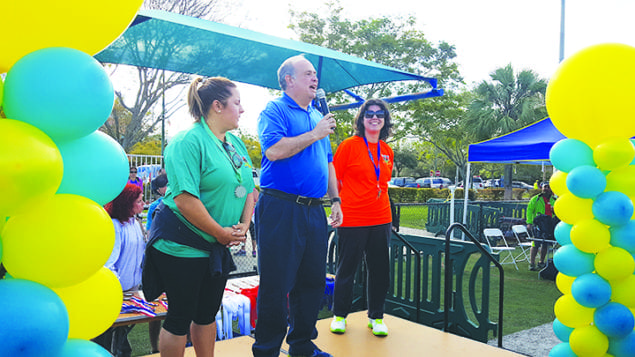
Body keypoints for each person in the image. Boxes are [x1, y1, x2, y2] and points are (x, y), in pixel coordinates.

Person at [144, 76, 255, 357]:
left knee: (207, 313)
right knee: (180, 317)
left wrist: (243, 225)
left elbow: (249, 189)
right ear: (218, 106)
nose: (242, 109)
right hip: (181, 244)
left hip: (215, 245)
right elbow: (184, 199)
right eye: (237, 103)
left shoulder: (236, 144)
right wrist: (220, 232)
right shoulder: (187, 142)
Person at [253, 54, 343, 357]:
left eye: (315, 75)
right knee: (277, 284)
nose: (315, 79)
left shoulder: (319, 117)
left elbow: (327, 163)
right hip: (281, 207)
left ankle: (302, 345)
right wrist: (315, 134)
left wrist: (336, 200)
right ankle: (266, 349)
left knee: (312, 282)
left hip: (314, 210)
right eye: (307, 74)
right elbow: (275, 150)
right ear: (288, 80)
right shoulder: (274, 109)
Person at [330, 99, 394, 337]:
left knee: (380, 269)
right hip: (353, 217)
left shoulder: (387, 150)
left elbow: (382, 183)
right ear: (361, 119)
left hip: (381, 218)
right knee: (347, 268)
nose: (374, 117)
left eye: (379, 114)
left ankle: (376, 317)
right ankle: (339, 316)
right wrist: (335, 204)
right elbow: (335, 179)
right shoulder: (349, 145)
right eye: (369, 114)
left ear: (385, 120)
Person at [95, 183, 146, 357]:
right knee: (107, 335)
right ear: (127, 203)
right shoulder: (115, 226)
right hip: (117, 291)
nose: (143, 203)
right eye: (139, 201)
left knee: (122, 334)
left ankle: (120, 351)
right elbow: (109, 262)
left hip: (131, 289)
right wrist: (117, 289)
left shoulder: (136, 223)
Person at [526, 182, 557, 271]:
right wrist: (529, 222)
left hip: (549, 225)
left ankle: (541, 262)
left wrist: (554, 211)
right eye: (544, 187)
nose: (546, 189)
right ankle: (532, 263)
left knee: (545, 244)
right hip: (538, 225)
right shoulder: (536, 199)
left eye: (548, 187)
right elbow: (529, 211)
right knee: (535, 243)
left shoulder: (554, 200)